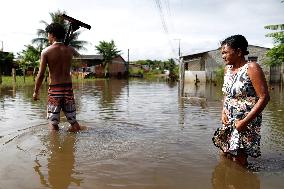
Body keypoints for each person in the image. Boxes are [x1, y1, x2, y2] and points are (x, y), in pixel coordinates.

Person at [212, 34, 270, 166]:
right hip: (229, 119)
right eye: (222, 53)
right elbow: (227, 94)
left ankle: (243, 181)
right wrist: (223, 111)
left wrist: (244, 121)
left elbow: (264, 97)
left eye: (225, 52)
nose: (223, 56)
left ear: (238, 52)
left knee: (238, 157)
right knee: (224, 152)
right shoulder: (228, 69)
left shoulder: (252, 68)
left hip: (245, 120)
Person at [33, 23, 81, 132]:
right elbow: (80, 58)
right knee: (73, 122)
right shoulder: (70, 50)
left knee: (53, 124)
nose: (47, 37)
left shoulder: (46, 51)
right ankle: (72, 144)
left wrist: (36, 91)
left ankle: (55, 148)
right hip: (68, 89)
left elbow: (40, 74)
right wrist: (67, 46)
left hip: (55, 90)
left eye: (48, 34)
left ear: (52, 35)